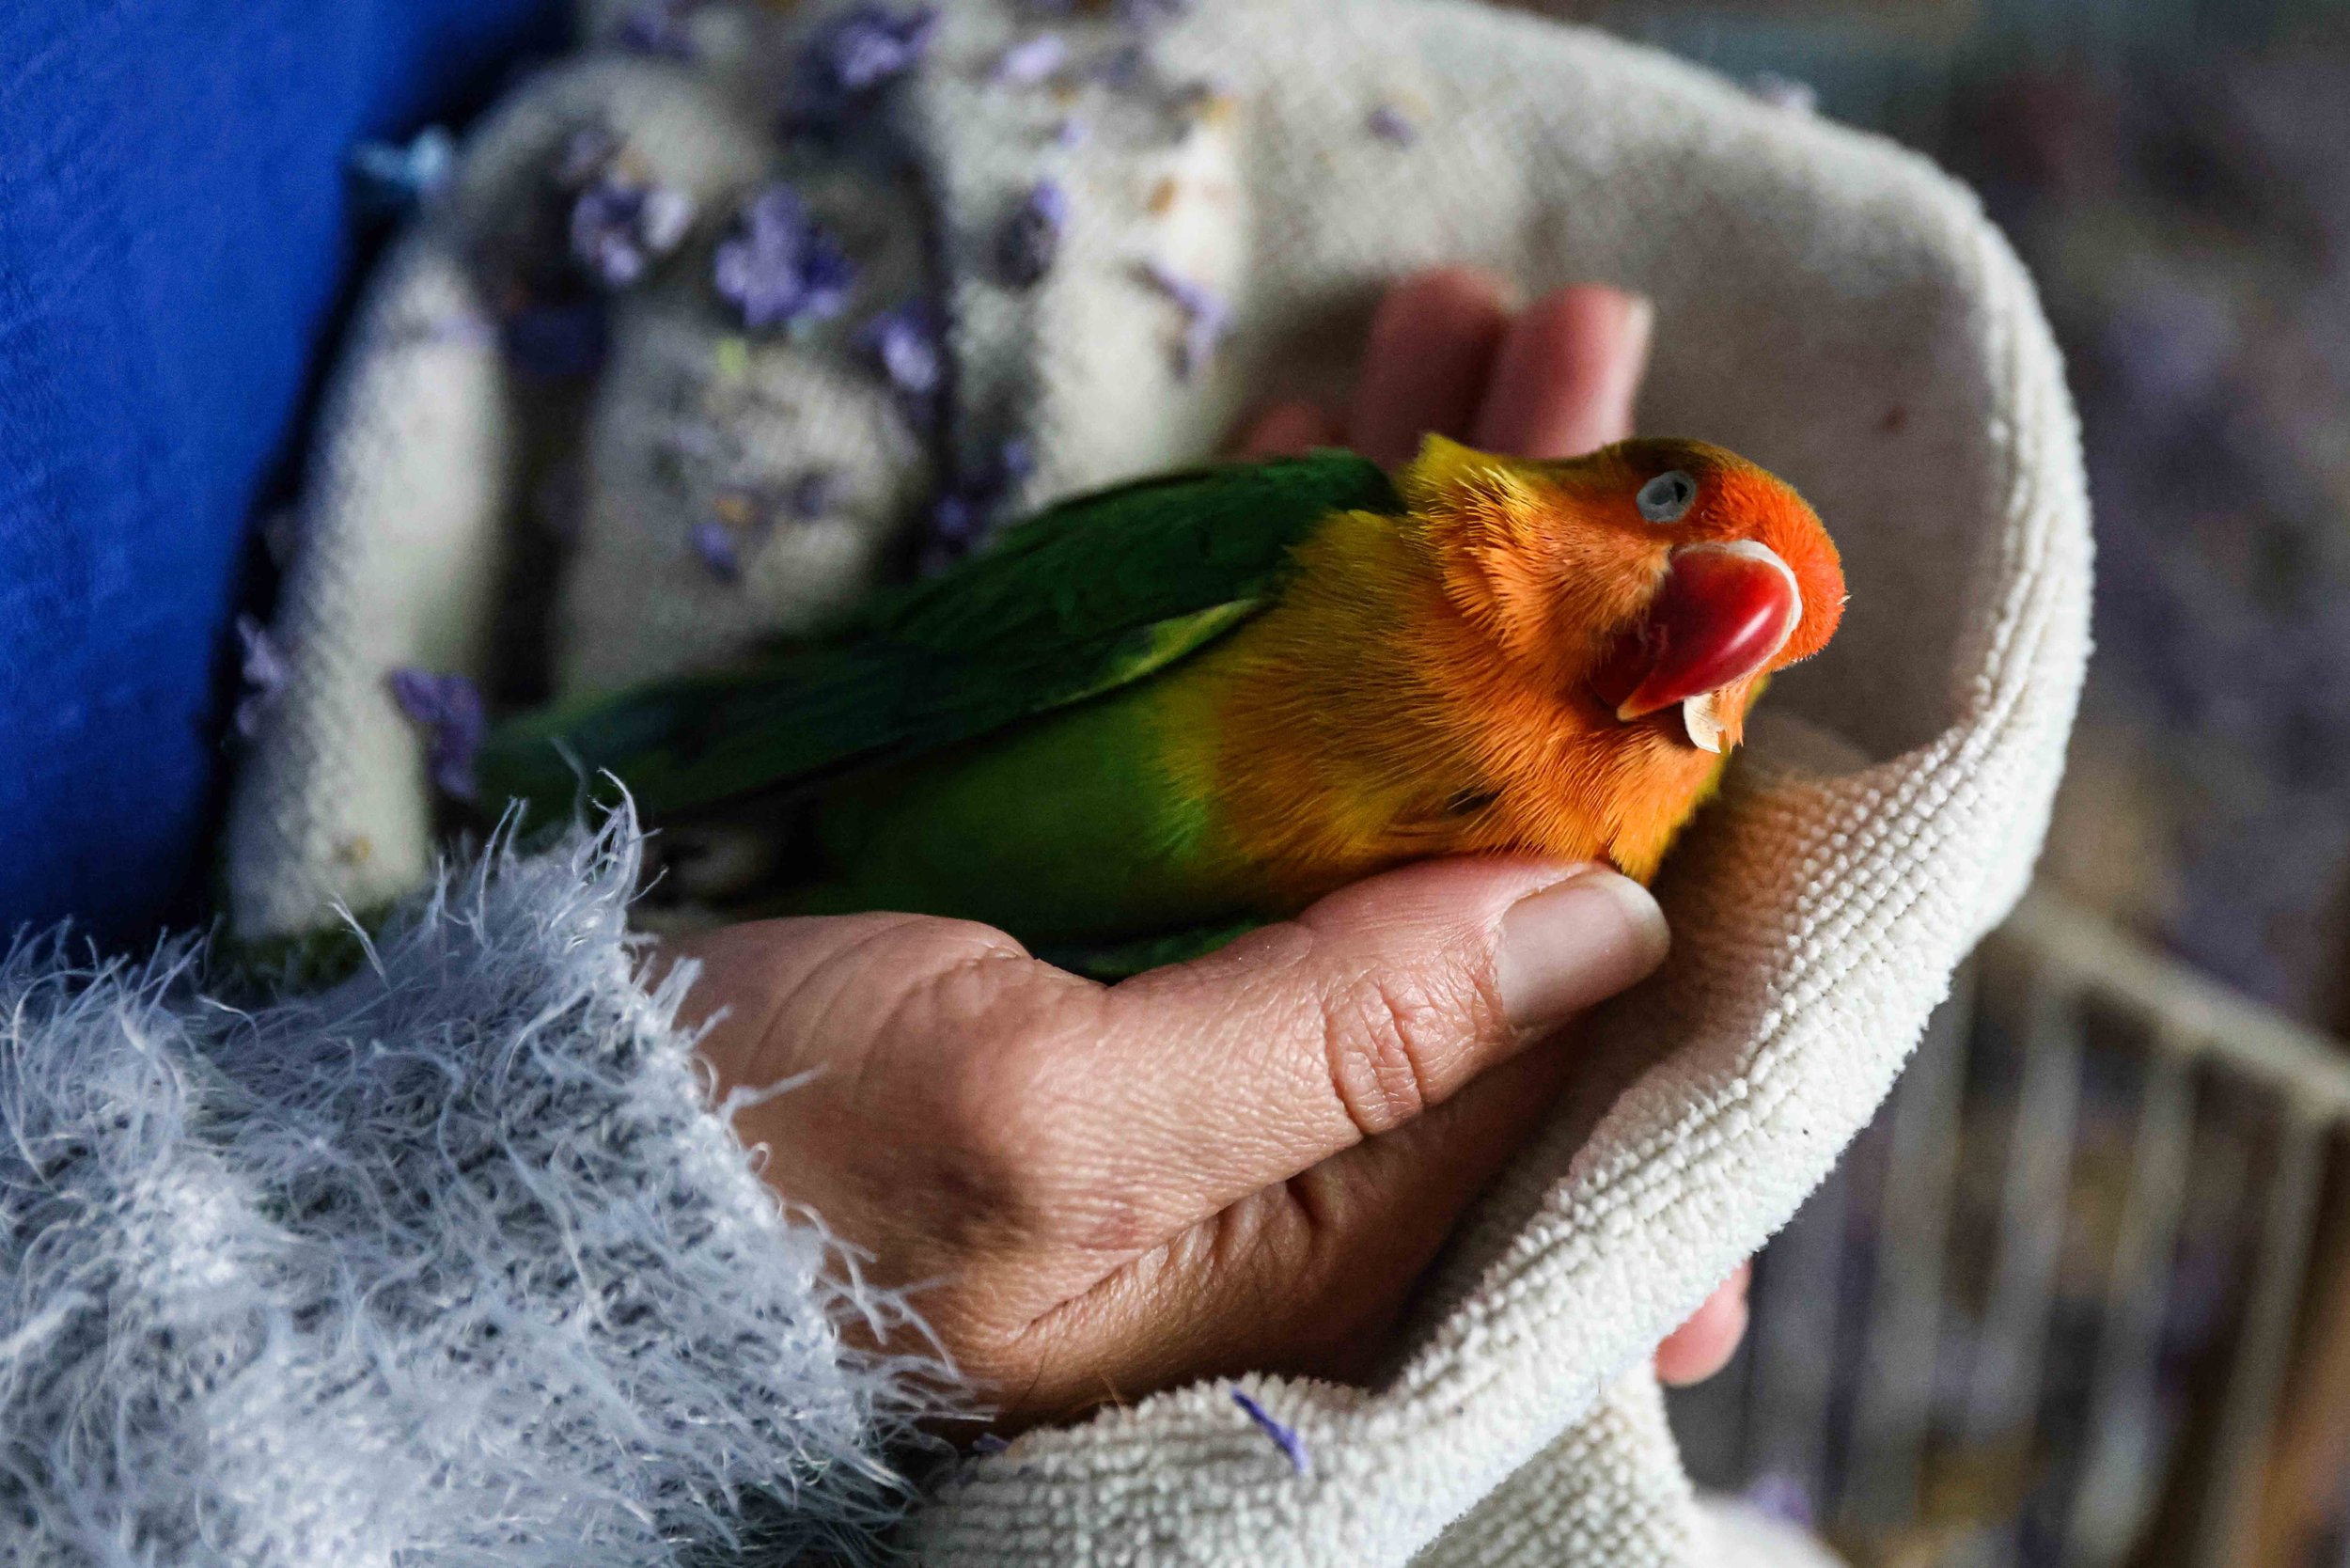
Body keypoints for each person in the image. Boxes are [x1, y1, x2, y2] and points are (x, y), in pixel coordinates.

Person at [0, 266, 1747, 1560]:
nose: (1704, 599)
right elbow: (910, 687)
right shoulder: (1317, 539)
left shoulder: (1554, 877)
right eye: (1669, 498)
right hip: (838, 836)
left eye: (1749, 674)